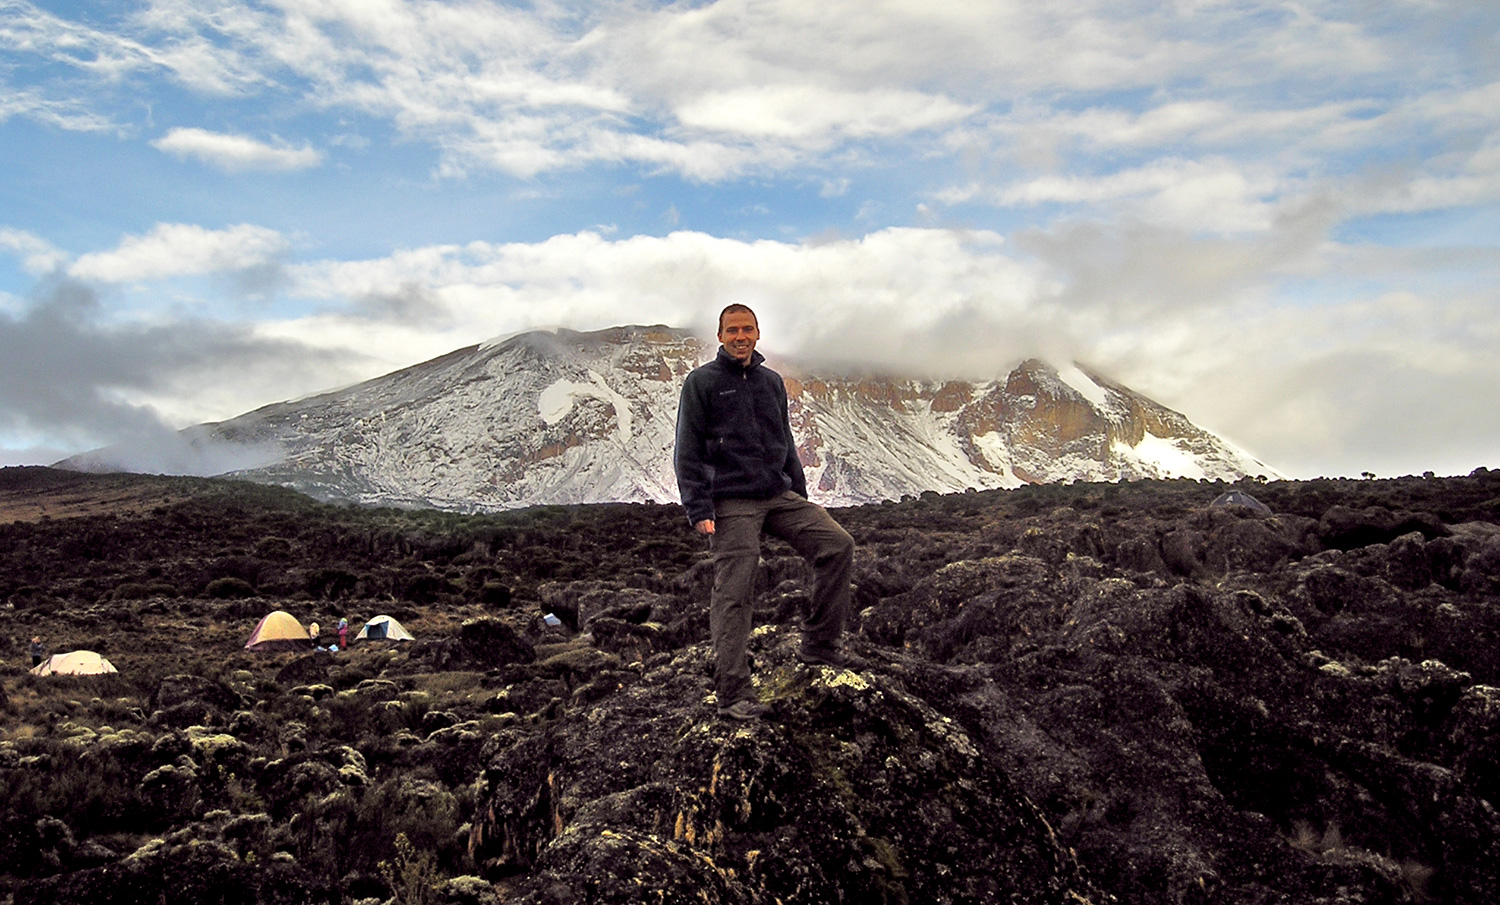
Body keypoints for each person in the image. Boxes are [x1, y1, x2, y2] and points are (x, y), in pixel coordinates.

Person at [674, 303, 856, 721]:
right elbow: (687, 447)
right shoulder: (701, 382)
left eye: (748, 329)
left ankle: (820, 648)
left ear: (758, 334)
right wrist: (698, 506)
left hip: (778, 493)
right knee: (735, 590)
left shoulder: (771, 382)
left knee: (837, 545)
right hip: (731, 500)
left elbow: (785, 442)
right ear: (720, 336)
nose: (741, 336)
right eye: (732, 330)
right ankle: (733, 693)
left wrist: (801, 495)